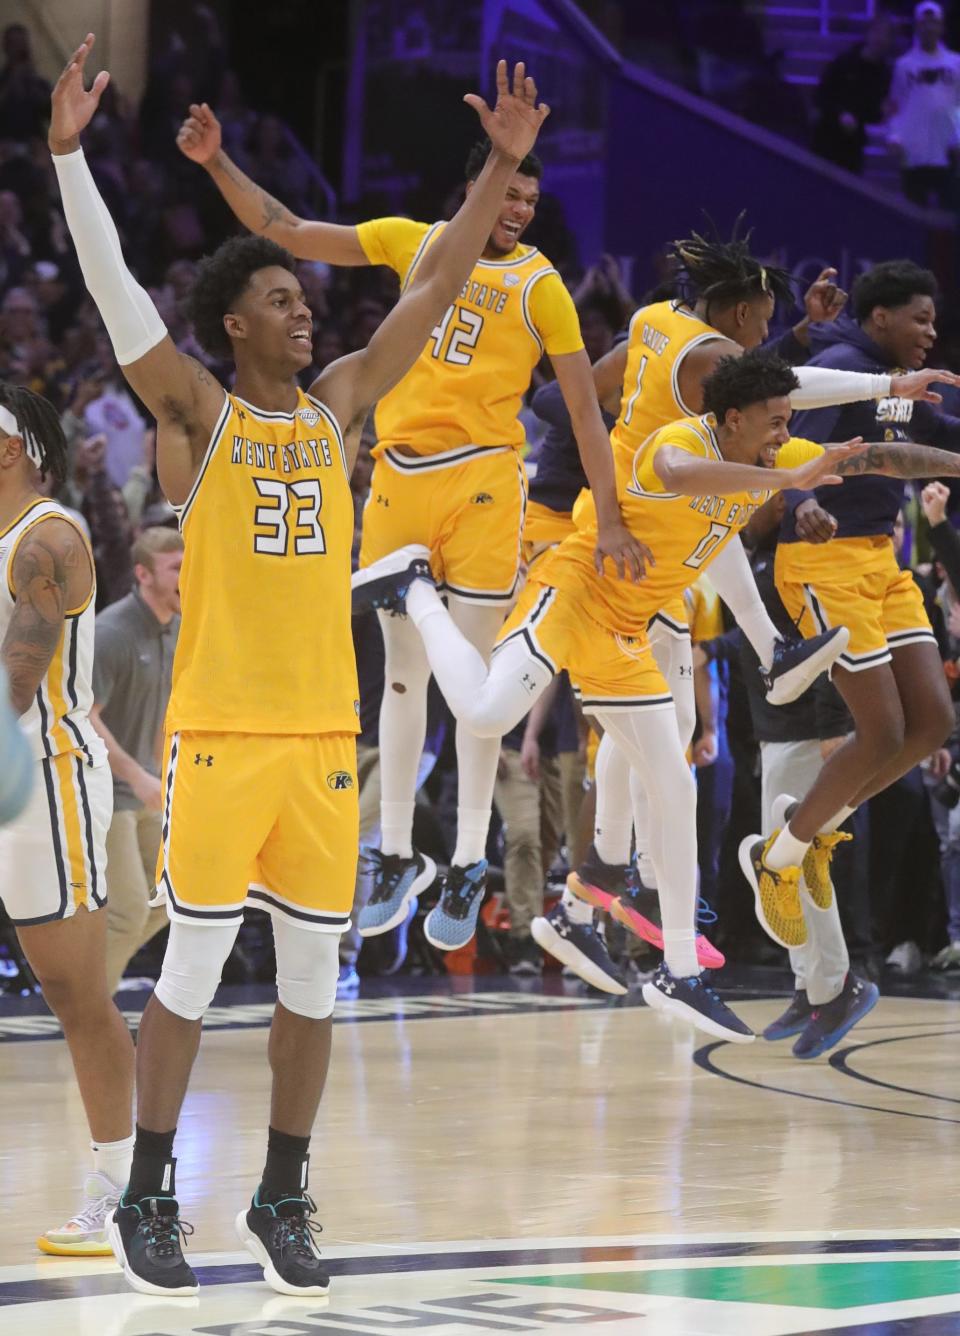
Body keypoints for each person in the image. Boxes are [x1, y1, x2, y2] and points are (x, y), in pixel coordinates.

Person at [52, 35, 551, 1297]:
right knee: (197, 969)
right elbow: (119, 306)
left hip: (326, 743)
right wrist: (67, 160)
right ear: (233, 319)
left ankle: (284, 1191)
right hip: (221, 735)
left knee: (318, 986)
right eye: (281, 297)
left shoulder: (335, 408)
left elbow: (432, 290)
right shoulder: (199, 418)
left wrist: (496, 172)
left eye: (303, 296)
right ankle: (151, 1195)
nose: (305, 306)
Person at [175, 98, 645, 959]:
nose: (517, 213)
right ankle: (394, 854)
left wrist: (609, 515)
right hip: (398, 474)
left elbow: (584, 408)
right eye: (507, 197)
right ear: (473, 189)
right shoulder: (413, 240)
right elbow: (287, 227)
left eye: (529, 205)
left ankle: (466, 861)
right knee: (398, 675)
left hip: (484, 483)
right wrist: (214, 163)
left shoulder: (541, 286)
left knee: (470, 686)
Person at [355, 352, 877, 1041]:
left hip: (626, 632)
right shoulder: (681, 441)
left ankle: (681, 972)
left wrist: (916, 423)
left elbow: (875, 462)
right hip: (575, 591)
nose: (785, 434)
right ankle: (414, 588)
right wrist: (786, 476)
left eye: (788, 424)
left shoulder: (769, 454)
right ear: (733, 418)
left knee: (675, 781)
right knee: (483, 713)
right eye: (775, 422)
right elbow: (679, 477)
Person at [541, 225, 955, 982]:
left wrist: (556, 419)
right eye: (766, 319)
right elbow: (784, 384)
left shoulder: (660, 321)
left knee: (668, 736)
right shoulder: (721, 391)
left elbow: (746, 379)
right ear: (740, 317)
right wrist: (876, 392)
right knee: (659, 746)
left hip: (655, 534)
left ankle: (618, 889)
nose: (772, 333)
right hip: (640, 550)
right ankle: (615, 898)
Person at [742, 262, 960, 942]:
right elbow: (780, 442)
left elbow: (903, 451)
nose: (931, 331)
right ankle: (779, 858)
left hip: (879, 561)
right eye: (919, 318)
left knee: (931, 724)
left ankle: (811, 828)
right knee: (883, 732)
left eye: (934, 319)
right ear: (879, 318)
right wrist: (800, 501)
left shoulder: (896, 389)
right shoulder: (840, 364)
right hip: (820, 562)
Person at [0, 381, 135, 1256]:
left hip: (45, 787)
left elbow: (17, 681)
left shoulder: (47, 538)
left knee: (77, 993)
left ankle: (117, 1191)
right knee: (64, 990)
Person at [90, 526, 183, 994]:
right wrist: (138, 777)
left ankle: (91, 985)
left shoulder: (176, 628)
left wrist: (166, 778)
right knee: (127, 911)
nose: (189, 579)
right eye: (177, 569)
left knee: (174, 897)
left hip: (147, 788)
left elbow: (163, 717)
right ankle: (89, 1013)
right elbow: (83, 718)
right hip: (104, 790)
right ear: (143, 573)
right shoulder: (113, 632)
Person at [887, 0, 960, 209]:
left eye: (934, 23)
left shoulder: (956, 63)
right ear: (917, 26)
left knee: (950, 210)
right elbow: (895, 104)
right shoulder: (904, 65)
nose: (929, 28)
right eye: (924, 23)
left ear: (942, 27)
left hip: (948, 148)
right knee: (913, 208)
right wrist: (894, 135)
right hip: (914, 147)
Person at [812, 14, 895, 174]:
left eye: (886, 35)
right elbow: (820, 95)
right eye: (877, 32)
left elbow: (874, 114)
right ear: (868, 33)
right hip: (825, 136)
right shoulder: (844, 62)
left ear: (890, 41)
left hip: (853, 144)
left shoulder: (885, 75)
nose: (880, 38)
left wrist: (882, 113)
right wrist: (840, 113)